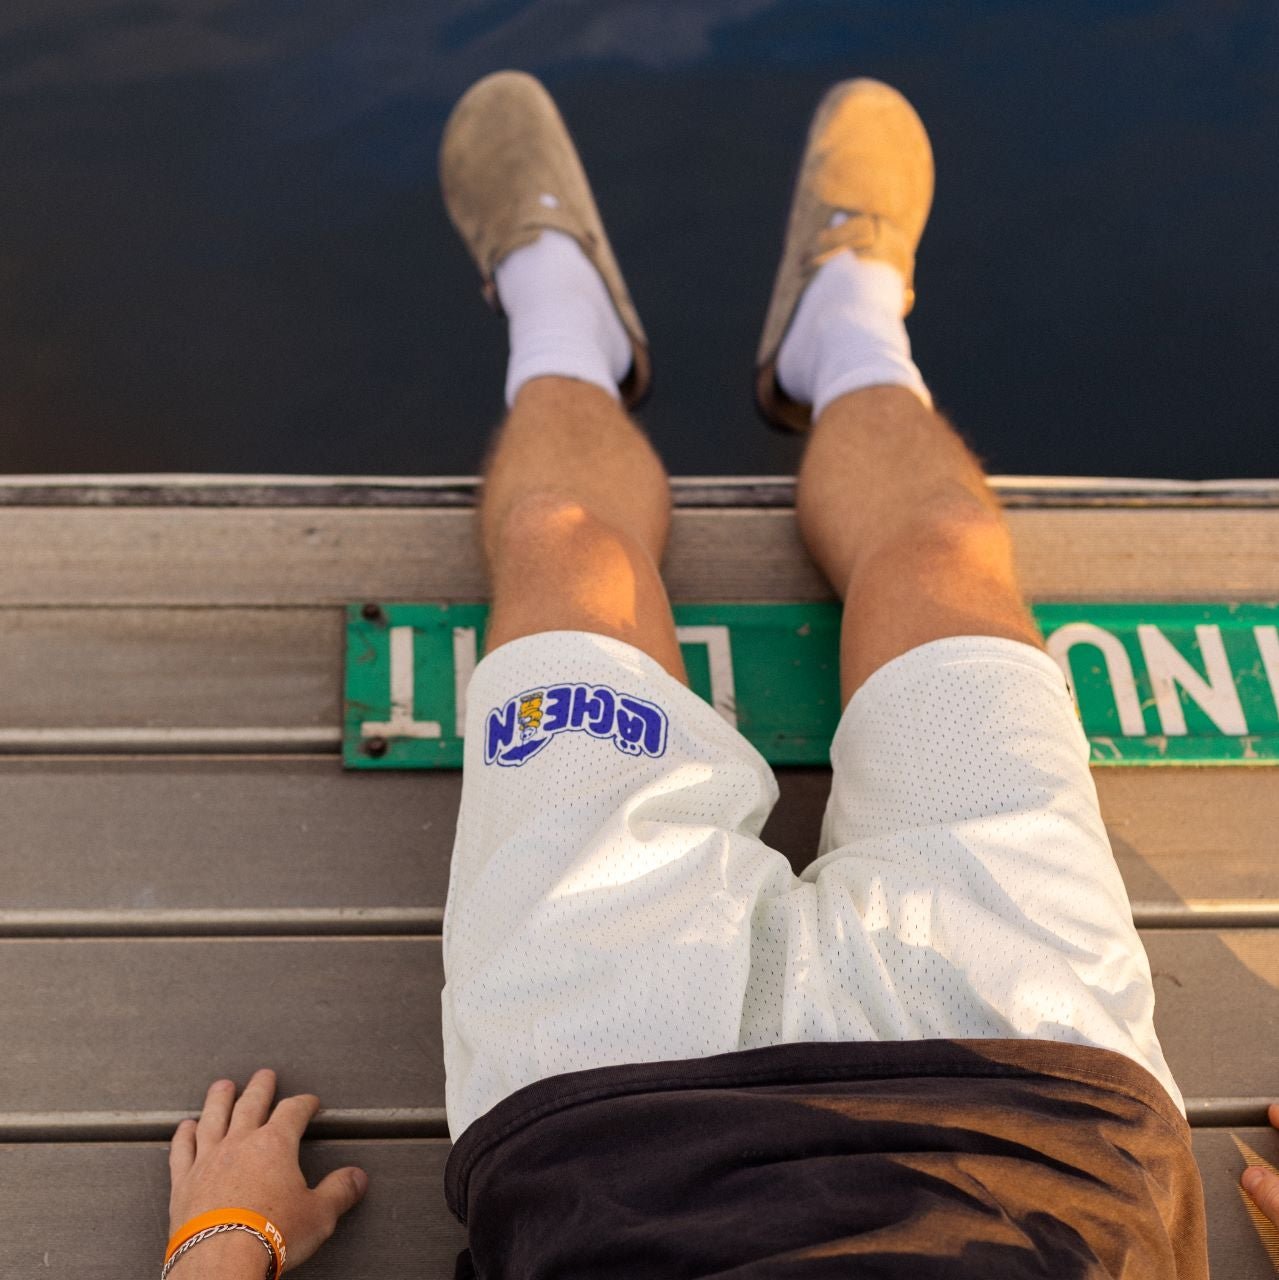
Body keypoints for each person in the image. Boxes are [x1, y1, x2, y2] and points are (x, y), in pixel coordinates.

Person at [164, 71, 1274, 1277]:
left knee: (563, 548)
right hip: (1040, 1093)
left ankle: (558, 317)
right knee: (946, 562)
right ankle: (850, 326)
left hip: (605, 1108)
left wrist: (223, 1235)